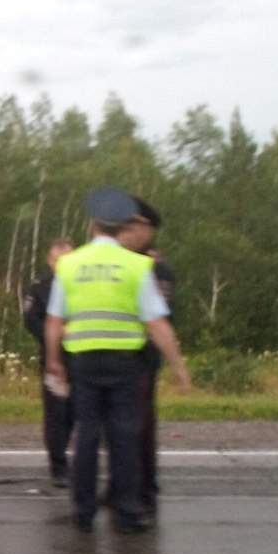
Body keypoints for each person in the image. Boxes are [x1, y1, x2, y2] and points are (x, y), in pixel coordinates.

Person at [44, 187, 191, 533]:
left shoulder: (69, 264)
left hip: (83, 363)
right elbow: (157, 324)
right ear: (121, 226)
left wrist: (54, 361)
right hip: (126, 364)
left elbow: (54, 321)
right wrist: (179, 367)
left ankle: (83, 512)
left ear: (93, 224)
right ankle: (126, 513)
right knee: (124, 437)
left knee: (86, 436)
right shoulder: (138, 265)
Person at [115, 198, 175, 515]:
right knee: (114, 430)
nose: (129, 231)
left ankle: (144, 491)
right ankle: (119, 488)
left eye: (136, 226)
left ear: (150, 231)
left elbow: (160, 319)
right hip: (114, 359)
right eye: (126, 225)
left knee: (138, 428)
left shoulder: (156, 267)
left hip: (140, 361)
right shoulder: (118, 263)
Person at [23, 238, 74, 487]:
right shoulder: (40, 287)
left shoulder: (81, 283)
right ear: (50, 261)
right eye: (59, 260)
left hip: (81, 356)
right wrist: (54, 334)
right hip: (54, 357)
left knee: (78, 412)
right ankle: (58, 466)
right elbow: (31, 319)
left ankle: (82, 465)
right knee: (56, 414)